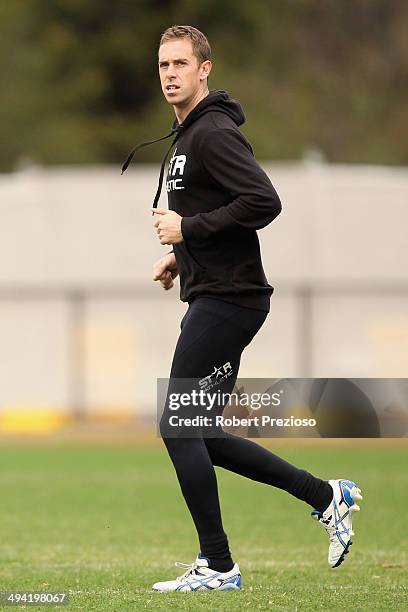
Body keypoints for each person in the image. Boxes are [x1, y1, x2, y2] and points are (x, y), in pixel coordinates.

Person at [122, 24, 362, 593]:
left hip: (231, 299)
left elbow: (262, 200)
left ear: (206, 69)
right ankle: (326, 495)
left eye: (181, 63)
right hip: (216, 292)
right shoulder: (185, 138)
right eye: (162, 65)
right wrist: (182, 255)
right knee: (198, 430)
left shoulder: (212, 134)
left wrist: (187, 229)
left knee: (177, 423)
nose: (170, 74)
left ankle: (219, 566)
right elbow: (215, 211)